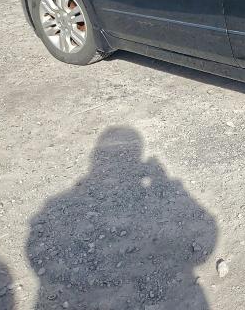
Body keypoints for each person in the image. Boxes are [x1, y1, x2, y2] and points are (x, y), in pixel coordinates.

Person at [27, 127, 217, 309]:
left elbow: (35, 250)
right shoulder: (62, 204)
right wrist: (169, 183)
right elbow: (208, 237)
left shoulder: (58, 204)